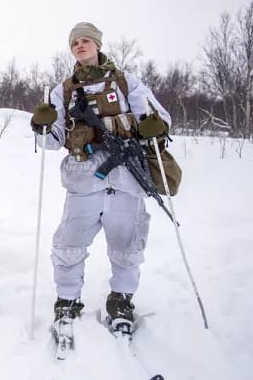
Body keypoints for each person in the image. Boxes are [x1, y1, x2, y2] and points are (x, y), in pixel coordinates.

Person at [31, 22, 171, 334]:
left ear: (97, 45)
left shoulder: (126, 83)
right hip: (83, 180)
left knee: (127, 245)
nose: (80, 46)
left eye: (85, 41)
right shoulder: (63, 91)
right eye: (74, 43)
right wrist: (41, 124)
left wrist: (154, 126)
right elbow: (52, 140)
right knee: (68, 244)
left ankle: (121, 300)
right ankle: (67, 300)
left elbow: (158, 118)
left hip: (125, 179)